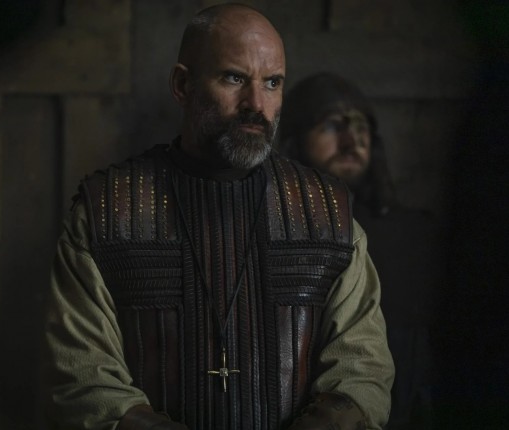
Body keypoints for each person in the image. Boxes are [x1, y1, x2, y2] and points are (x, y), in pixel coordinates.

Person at [45, 5, 393, 430]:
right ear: (182, 85)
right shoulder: (108, 213)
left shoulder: (326, 216)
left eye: (272, 82)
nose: (256, 104)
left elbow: (362, 372)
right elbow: (84, 381)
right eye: (234, 78)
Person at [279, 72, 440, 429]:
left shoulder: (416, 231)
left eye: (361, 128)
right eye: (331, 126)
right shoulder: (278, 236)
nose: (352, 141)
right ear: (296, 140)